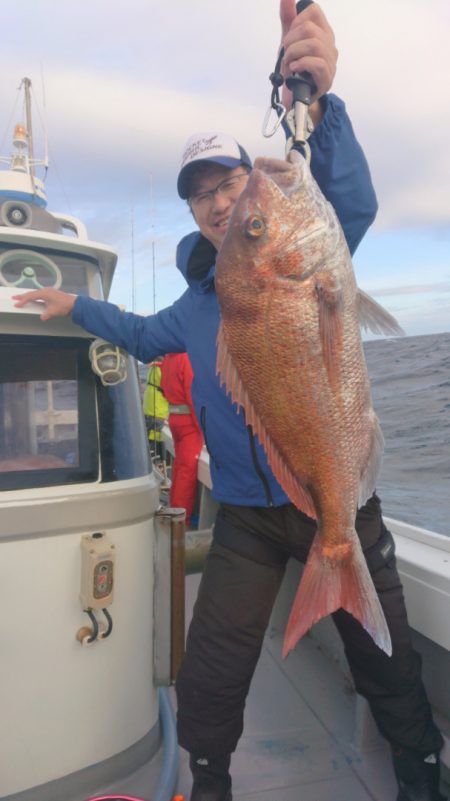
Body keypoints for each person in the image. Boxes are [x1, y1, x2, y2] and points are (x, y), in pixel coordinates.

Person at [13, 3, 446, 799]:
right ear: (193, 213)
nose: (217, 202)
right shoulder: (195, 303)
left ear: (253, 181)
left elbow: (352, 201)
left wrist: (319, 99)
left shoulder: (305, 246)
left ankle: (420, 766)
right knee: (213, 659)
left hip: (337, 494)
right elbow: (140, 331)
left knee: (385, 655)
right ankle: (209, 775)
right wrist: (74, 308)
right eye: (199, 195)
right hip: (246, 507)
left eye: (227, 182)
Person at [160, 352, 203, 528]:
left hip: (175, 420)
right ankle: (181, 521)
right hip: (189, 425)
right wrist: (202, 425)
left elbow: (163, 389)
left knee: (178, 469)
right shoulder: (186, 358)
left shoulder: (168, 359)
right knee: (186, 472)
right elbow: (192, 395)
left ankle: (174, 510)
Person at [143, 357, 169, 459]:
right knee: (155, 438)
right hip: (158, 409)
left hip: (149, 407)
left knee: (150, 436)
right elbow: (168, 387)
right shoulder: (163, 369)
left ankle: (150, 460)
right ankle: (155, 462)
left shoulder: (153, 367)